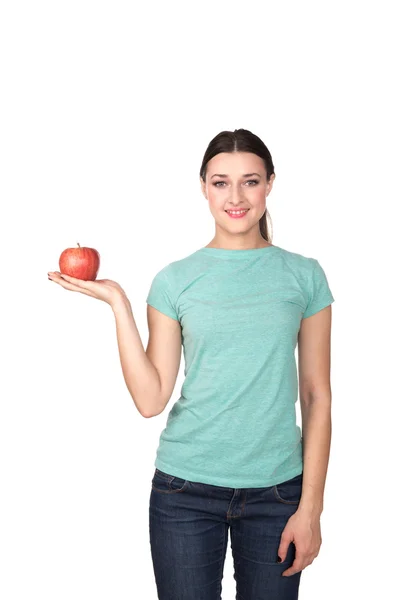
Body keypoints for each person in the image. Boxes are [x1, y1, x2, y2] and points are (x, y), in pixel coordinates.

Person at [47, 128, 334, 600]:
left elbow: (317, 396)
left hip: (278, 495)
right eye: (221, 182)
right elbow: (150, 399)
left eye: (250, 181)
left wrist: (311, 509)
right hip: (185, 491)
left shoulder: (304, 276)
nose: (236, 196)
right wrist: (119, 303)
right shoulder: (174, 281)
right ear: (203, 187)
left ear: (270, 184)